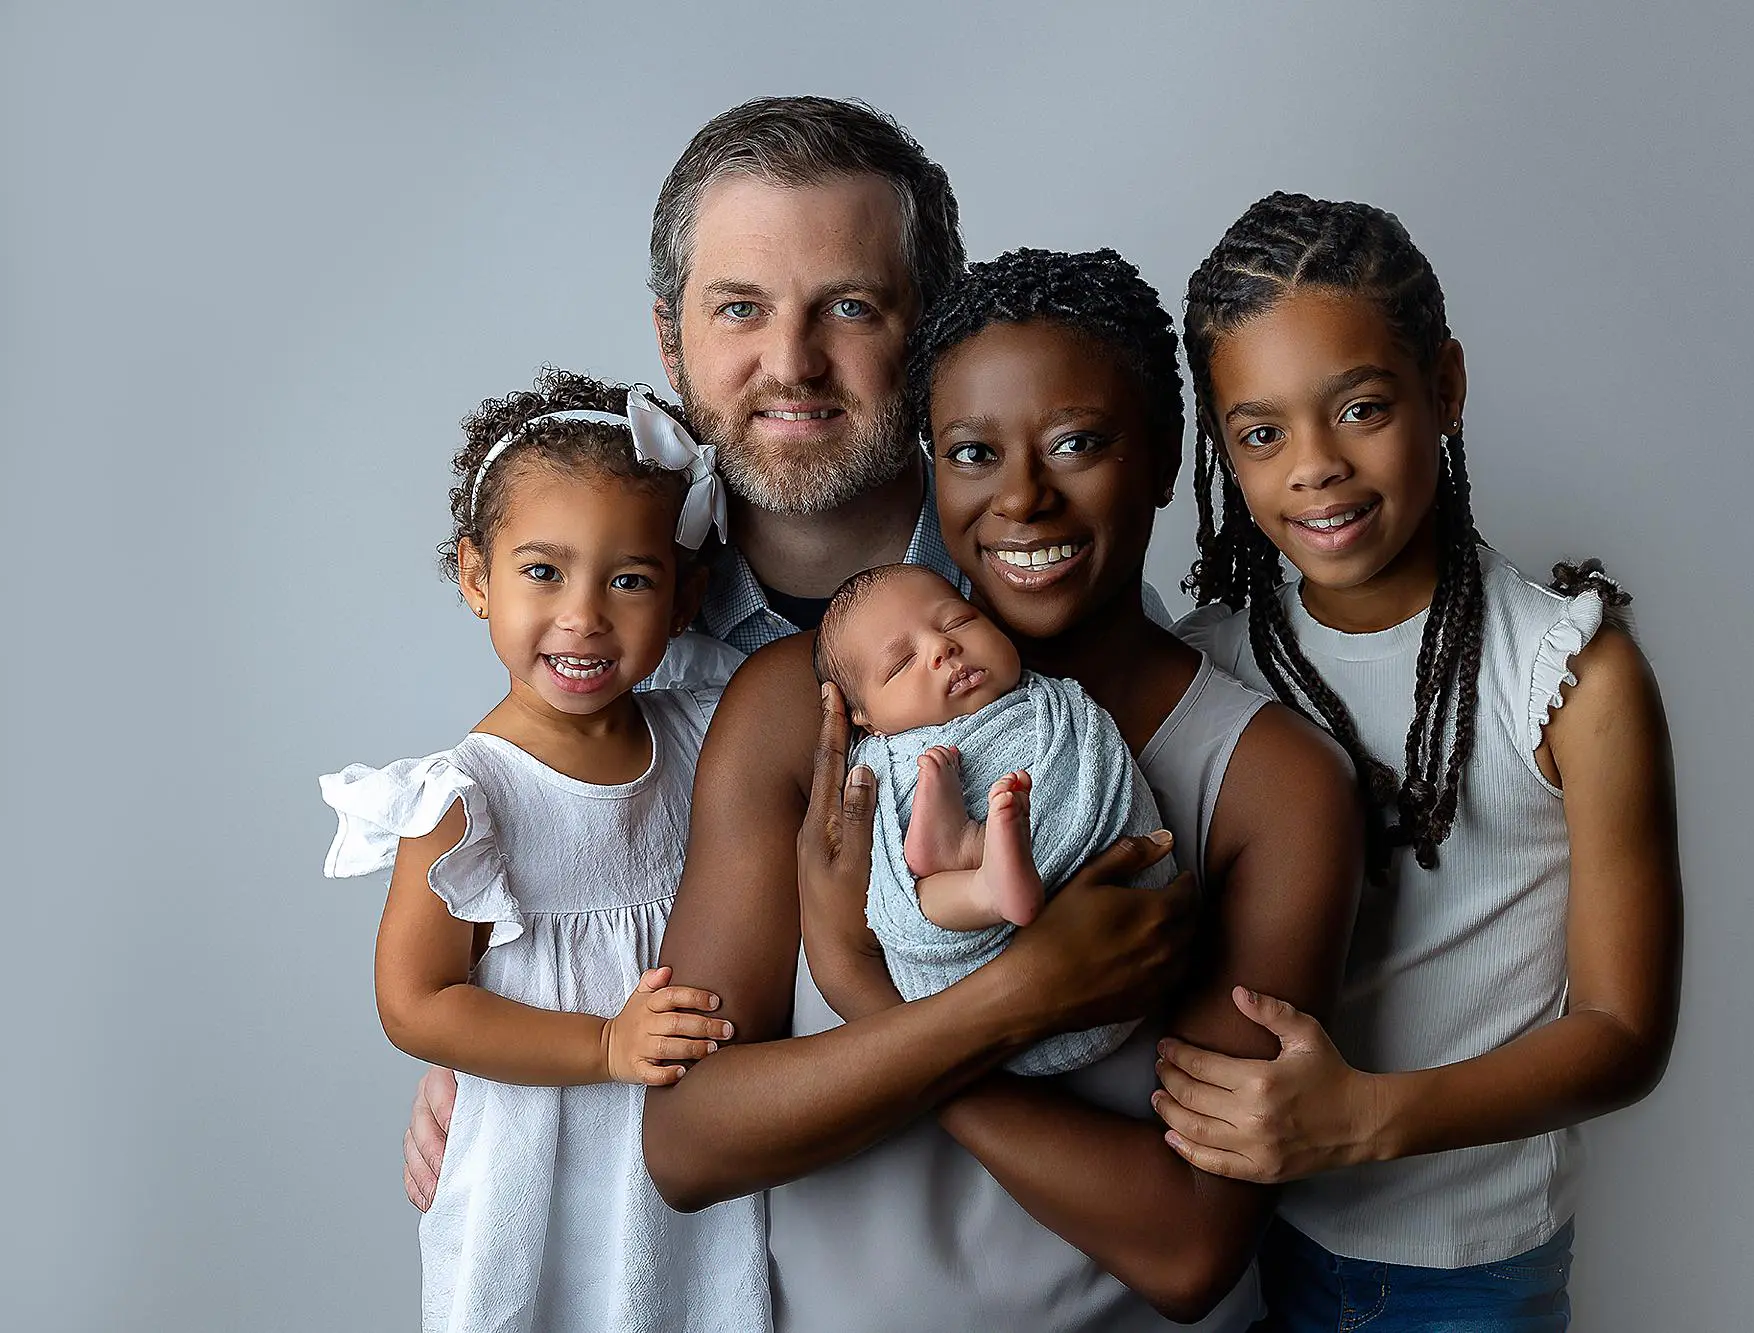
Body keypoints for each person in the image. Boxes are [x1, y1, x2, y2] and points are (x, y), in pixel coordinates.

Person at [641, 247, 1361, 1331]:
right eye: (974, 452)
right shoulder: (806, 709)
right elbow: (688, 1142)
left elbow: (1187, 1244)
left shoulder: (1270, 782)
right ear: (933, 466)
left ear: (1166, 459)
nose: (1022, 495)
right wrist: (1010, 1002)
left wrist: (871, 992)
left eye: (1077, 443)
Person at [403, 94, 970, 1208]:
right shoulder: (606, 651)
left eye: (847, 306)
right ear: (671, 338)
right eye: (739, 308)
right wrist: (498, 1031)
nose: (791, 361)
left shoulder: (1030, 598)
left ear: (932, 325)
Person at [1157, 195, 1683, 1330]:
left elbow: (1623, 1033)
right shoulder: (1213, 667)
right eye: (1259, 434)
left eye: (1357, 407)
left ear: (1441, 386)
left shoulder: (1567, 676)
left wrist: (1364, 1118)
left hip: (1468, 1274)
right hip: (1252, 1238)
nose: (1314, 468)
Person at [321, 369, 767, 1331]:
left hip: (680, 1152)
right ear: (476, 575)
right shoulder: (466, 797)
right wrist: (604, 1043)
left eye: (630, 579)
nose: (584, 615)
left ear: (686, 597)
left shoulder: (706, 735)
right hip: (535, 1156)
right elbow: (414, 1000)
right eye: (542, 571)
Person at [813, 563, 1177, 1075]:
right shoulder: (884, 762)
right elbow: (886, 900)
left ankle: (972, 852)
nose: (942, 649)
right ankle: (983, 885)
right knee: (920, 895)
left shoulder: (1053, 705)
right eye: (900, 663)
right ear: (862, 717)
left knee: (944, 864)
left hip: (1129, 951)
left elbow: (1098, 767)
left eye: (958, 622)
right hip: (980, 997)